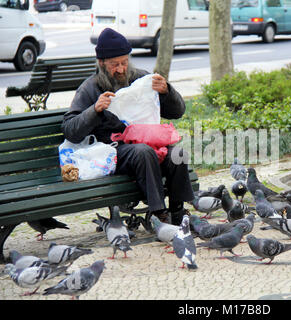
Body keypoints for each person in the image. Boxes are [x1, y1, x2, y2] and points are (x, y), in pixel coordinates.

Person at [62, 28, 194, 226]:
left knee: (178, 153)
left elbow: (178, 112)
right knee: (143, 151)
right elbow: (70, 130)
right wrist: (95, 110)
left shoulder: (141, 79)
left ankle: (178, 211)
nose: (121, 69)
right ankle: (159, 213)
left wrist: (167, 91)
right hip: (114, 151)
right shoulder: (90, 87)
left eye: (124, 62)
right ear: (101, 63)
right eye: (115, 65)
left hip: (148, 142)